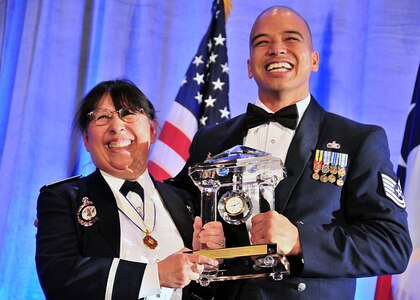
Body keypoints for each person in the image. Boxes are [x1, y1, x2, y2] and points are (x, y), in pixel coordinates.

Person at [170, 6, 412, 299]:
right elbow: (173, 212)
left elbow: (392, 245)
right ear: (249, 65)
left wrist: (300, 240)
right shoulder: (210, 140)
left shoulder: (358, 140)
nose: (276, 50)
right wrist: (198, 238)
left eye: (291, 39)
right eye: (262, 42)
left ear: (313, 60)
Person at [35, 79, 224, 300]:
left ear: (153, 131)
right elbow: (59, 280)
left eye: (128, 113)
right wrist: (156, 275)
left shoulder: (185, 201)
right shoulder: (64, 198)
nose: (117, 126)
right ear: (86, 139)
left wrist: (209, 262)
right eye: (102, 117)